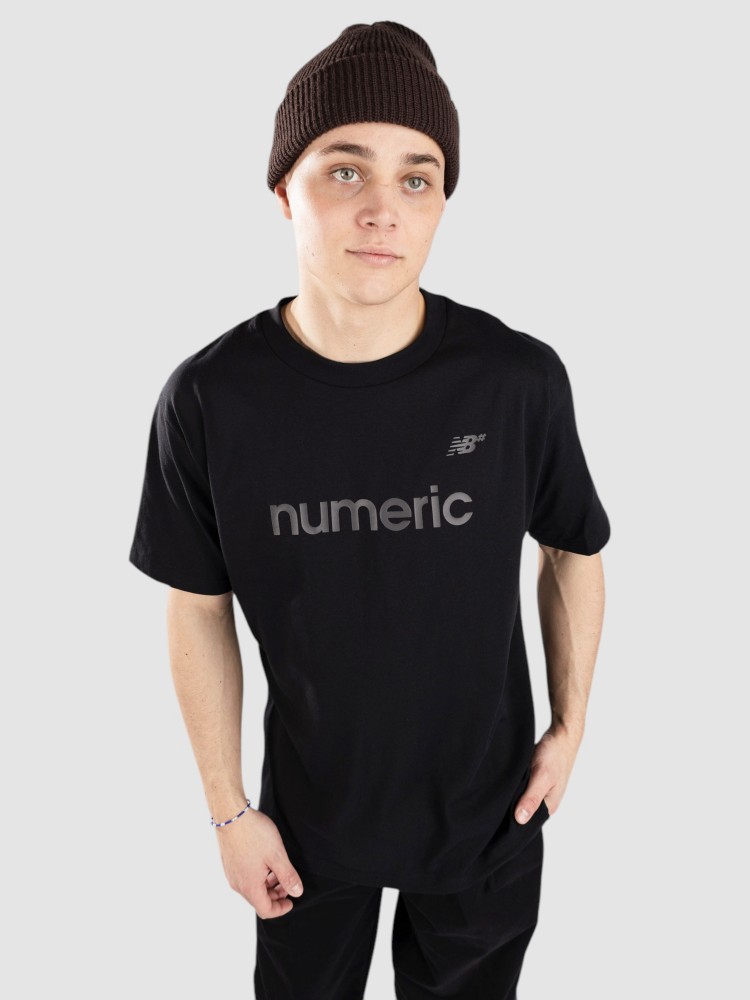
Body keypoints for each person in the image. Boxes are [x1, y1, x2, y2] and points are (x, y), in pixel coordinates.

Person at [128, 20, 610, 999]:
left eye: (417, 178)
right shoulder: (212, 398)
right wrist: (229, 811)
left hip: (489, 818)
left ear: (442, 202)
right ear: (284, 190)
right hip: (303, 829)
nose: (383, 210)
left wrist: (571, 728)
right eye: (345, 171)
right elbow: (196, 602)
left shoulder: (515, 379)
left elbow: (572, 547)